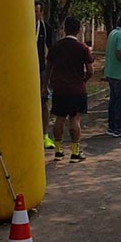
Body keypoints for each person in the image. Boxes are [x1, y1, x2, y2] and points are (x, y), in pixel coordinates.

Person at [45, 16, 94, 162]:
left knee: (59, 118)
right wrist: (84, 80)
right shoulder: (82, 48)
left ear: (64, 29)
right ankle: (74, 152)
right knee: (75, 119)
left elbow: (49, 67)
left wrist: (46, 85)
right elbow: (90, 70)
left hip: (60, 88)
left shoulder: (56, 47)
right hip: (77, 89)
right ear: (79, 30)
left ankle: (58, 151)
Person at [35, 0, 55, 149]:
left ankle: (45, 136)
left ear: (41, 13)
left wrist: (50, 74)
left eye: (37, 11)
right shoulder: (21, 25)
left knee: (43, 103)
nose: (34, 14)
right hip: (24, 73)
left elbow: (52, 51)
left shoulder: (45, 29)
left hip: (41, 70)